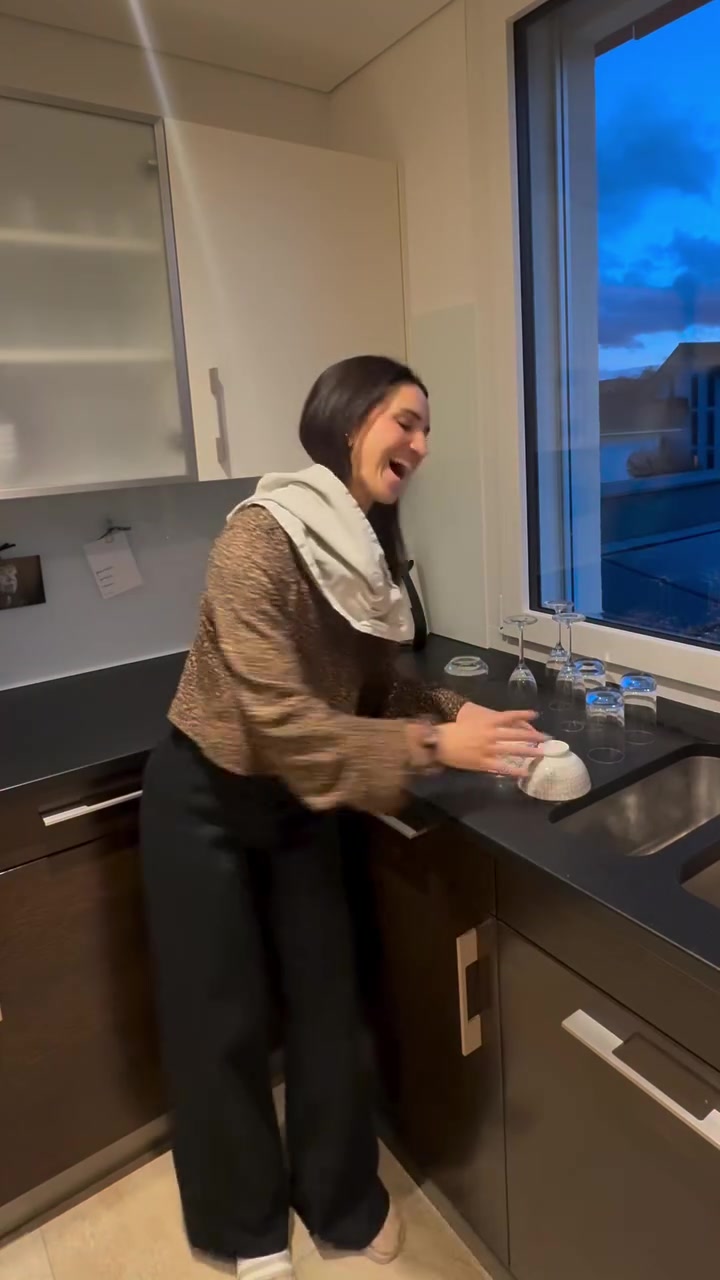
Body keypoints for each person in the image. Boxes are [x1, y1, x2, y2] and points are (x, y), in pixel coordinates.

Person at [141, 355, 541, 1280]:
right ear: (351, 420)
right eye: (407, 420)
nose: (421, 444)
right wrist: (435, 746)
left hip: (300, 802)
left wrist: (457, 712)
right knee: (220, 1023)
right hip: (205, 796)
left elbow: (372, 688)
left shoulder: (366, 547)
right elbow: (283, 723)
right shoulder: (259, 538)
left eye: (427, 429)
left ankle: (343, 1202)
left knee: (329, 1005)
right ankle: (245, 1229)